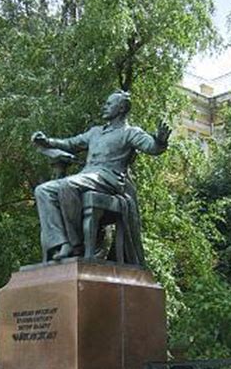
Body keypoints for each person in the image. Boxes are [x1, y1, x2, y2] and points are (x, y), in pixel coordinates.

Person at [32, 90, 171, 262]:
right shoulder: (95, 132)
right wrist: (47, 141)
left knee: (68, 185)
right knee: (43, 191)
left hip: (109, 178)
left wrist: (160, 141)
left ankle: (76, 245)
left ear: (120, 108)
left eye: (109, 104)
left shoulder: (130, 132)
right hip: (87, 177)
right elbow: (70, 143)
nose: (104, 107)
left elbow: (152, 148)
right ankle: (62, 242)